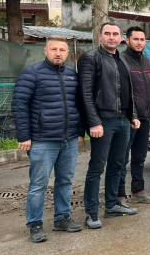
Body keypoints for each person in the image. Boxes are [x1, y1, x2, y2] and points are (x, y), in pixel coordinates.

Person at [13, 36, 84, 242]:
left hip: (69, 140)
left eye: (62, 50)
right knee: (39, 184)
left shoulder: (72, 75)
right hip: (42, 140)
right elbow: (19, 105)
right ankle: (35, 223)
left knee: (65, 181)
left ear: (68, 53)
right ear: (45, 51)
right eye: (54, 49)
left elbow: (79, 105)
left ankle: (62, 218)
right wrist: (24, 136)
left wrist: (80, 132)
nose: (58, 53)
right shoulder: (32, 74)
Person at [79, 22, 140, 229]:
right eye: (107, 33)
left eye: (115, 34)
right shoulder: (91, 58)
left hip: (123, 120)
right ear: (100, 36)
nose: (112, 37)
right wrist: (94, 122)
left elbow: (127, 91)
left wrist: (132, 115)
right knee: (97, 167)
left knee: (118, 165)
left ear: (121, 38)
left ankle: (112, 205)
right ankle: (91, 211)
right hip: (103, 121)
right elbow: (85, 94)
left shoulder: (122, 59)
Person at [119, 26, 150, 204]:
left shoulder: (146, 60)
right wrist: (130, 114)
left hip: (144, 116)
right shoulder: (121, 60)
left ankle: (138, 191)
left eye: (142, 40)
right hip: (128, 118)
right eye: (136, 39)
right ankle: (119, 195)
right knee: (121, 158)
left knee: (140, 157)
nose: (139, 42)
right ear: (127, 40)